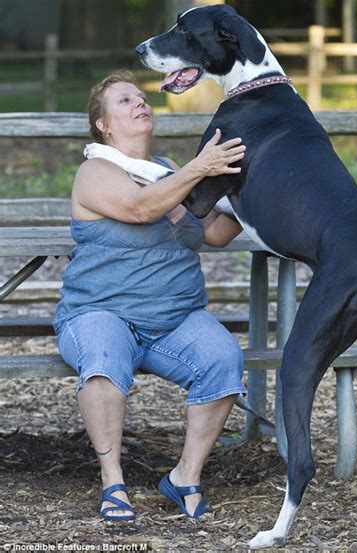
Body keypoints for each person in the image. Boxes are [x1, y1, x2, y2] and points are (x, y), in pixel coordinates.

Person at [53, 70, 247, 522]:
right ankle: (113, 481)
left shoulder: (167, 171)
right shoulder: (95, 172)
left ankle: (185, 476)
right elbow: (141, 208)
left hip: (174, 317)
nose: (140, 103)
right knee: (102, 359)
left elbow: (214, 233)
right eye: (124, 101)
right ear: (102, 125)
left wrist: (249, 184)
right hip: (100, 312)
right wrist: (200, 168)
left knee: (223, 357)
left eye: (142, 98)